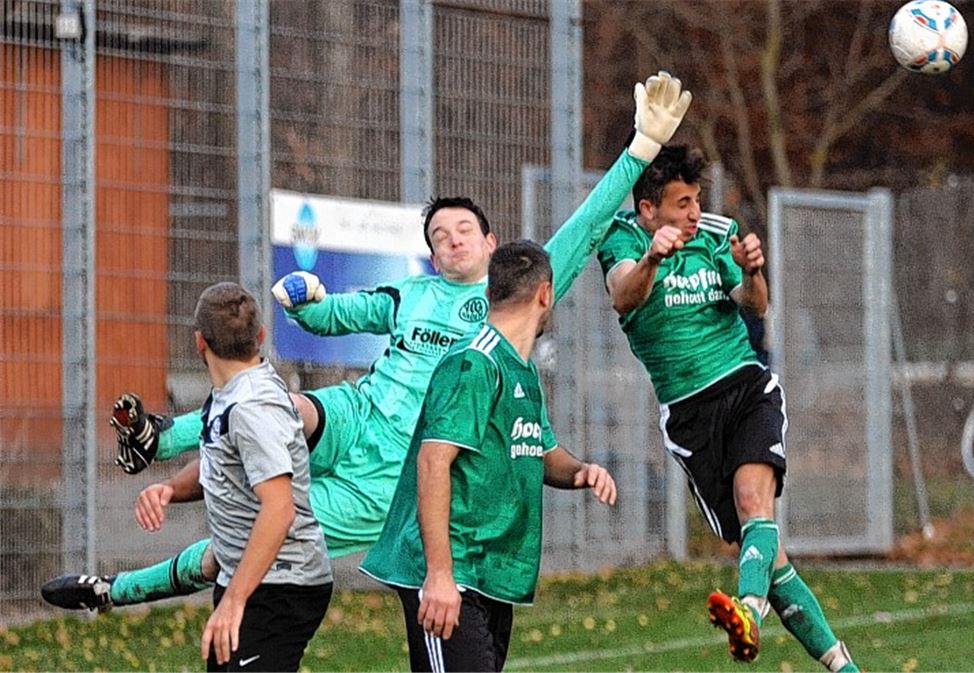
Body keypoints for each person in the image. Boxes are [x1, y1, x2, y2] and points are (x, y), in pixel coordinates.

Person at [41, 72, 692, 611]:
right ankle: (157, 437)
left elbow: (580, 229)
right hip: (355, 414)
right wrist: (309, 296)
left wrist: (640, 149)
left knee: (239, 544)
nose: (449, 239)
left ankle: (114, 588)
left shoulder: (511, 297)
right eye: (438, 233)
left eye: (462, 228)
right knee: (279, 404)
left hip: (389, 475)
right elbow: (332, 315)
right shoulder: (408, 294)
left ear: (492, 246)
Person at [595, 145, 859, 672]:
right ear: (649, 210)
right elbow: (624, 296)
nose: (695, 213)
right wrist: (653, 257)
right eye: (682, 203)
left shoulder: (717, 231)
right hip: (690, 417)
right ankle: (844, 668)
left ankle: (748, 614)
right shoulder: (621, 237)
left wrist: (752, 270)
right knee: (771, 561)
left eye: (697, 200)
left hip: (745, 387)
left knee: (752, 500)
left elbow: (755, 304)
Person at [360, 240, 617, 672]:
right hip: (451, 569)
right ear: (545, 294)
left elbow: (540, 448)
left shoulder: (522, 366)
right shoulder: (474, 363)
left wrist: (580, 472)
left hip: (489, 571)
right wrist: (440, 576)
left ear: (489, 293)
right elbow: (433, 461)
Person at [155, 282, 332, 671]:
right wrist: (169, 488)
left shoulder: (252, 407)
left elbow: (279, 508)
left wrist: (235, 599)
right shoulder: (230, 392)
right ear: (261, 336)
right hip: (251, 582)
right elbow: (221, 464)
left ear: (199, 342)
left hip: (282, 585)